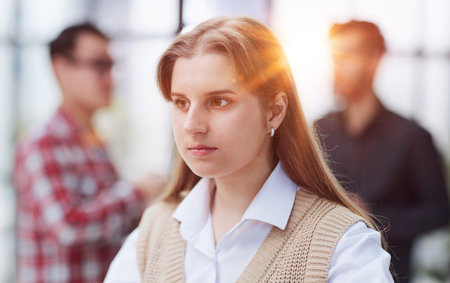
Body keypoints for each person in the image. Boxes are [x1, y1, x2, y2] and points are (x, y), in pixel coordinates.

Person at [105, 16, 394, 282]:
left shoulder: (343, 247)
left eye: (218, 101)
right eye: (181, 103)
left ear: (274, 112)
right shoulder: (154, 231)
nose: (192, 125)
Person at [13, 23, 166, 283]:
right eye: (99, 65)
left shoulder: (95, 142)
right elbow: (68, 228)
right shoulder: (42, 145)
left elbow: (109, 226)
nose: (111, 78)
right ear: (61, 68)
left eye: (111, 66)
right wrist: (138, 192)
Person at [314, 20, 450, 283]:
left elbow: (439, 211)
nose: (337, 67)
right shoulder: (318, 131)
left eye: (348, 55)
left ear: (374, 60)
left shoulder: (412, 137)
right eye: (334, 56)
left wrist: (373, 216)